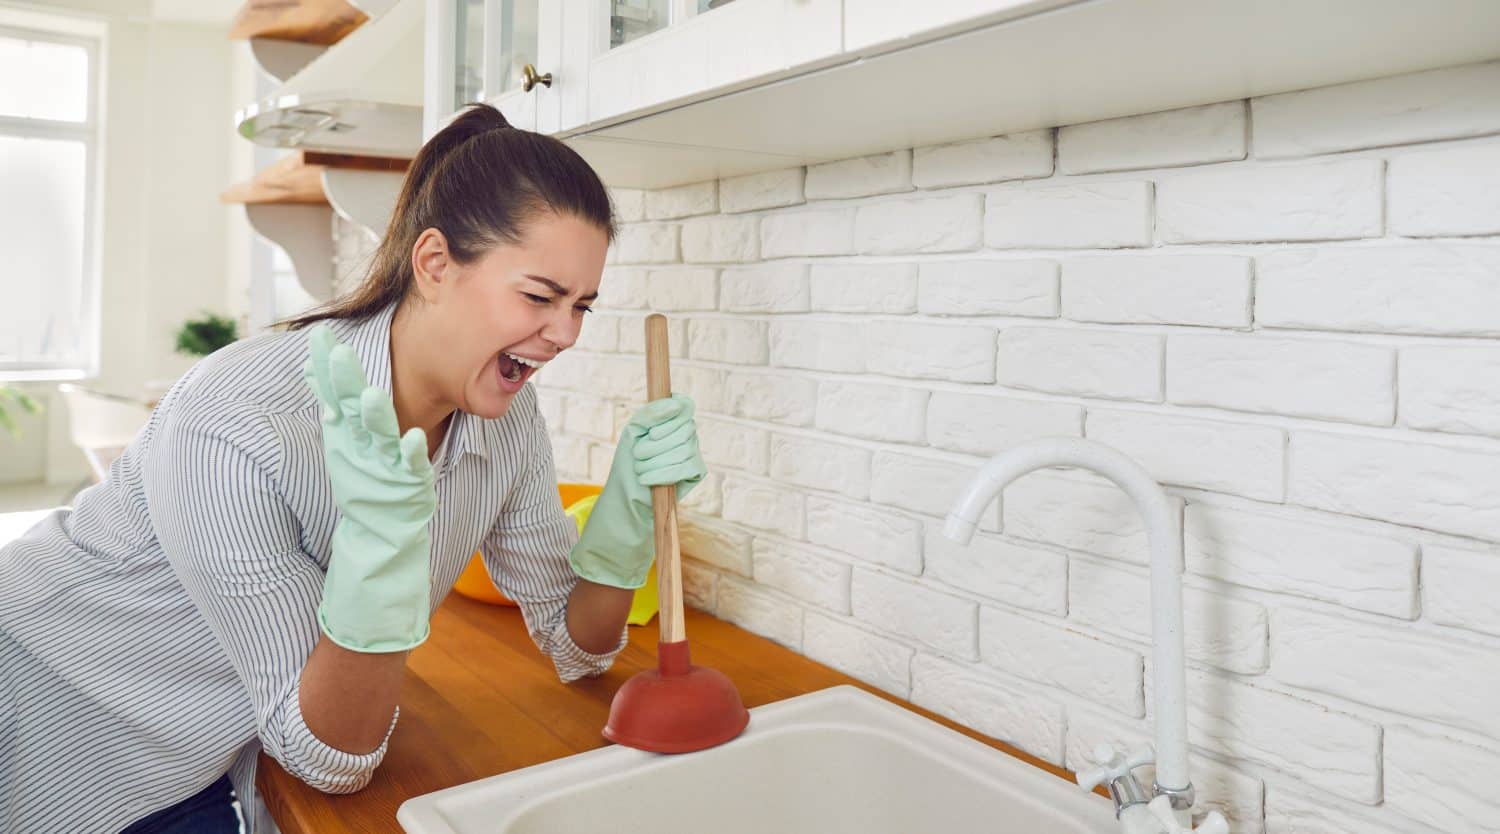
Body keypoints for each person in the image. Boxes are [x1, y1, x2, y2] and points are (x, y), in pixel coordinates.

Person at [0, 103, 703, 833]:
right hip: (47, 724)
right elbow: (326, 755)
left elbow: (576, 645)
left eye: (582, 306)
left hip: (197, 758)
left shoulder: (507, 422)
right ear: (434, 265)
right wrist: (378, 552)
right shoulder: (239, 419)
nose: (564, 335)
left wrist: (626, 524)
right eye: (538, 296)